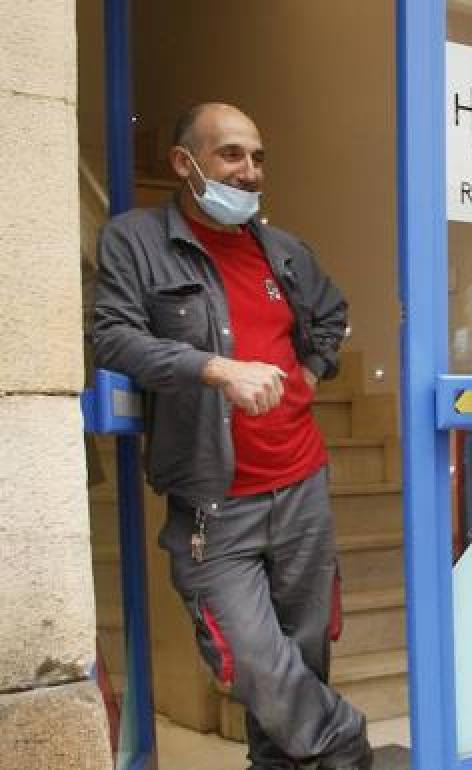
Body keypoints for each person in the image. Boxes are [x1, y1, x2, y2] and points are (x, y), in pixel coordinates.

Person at [92, 103, 371, 770]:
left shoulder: (285, 251)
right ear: (184, 163)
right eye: (230, 155)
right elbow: (111, 334)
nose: (248, 172)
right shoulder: (135, 240)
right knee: (250, 657)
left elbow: (332, 315)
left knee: (304, 652)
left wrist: (305, 372)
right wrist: (216, 369)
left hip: (301, 484)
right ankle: (345, 743)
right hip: (213, 500)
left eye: (257, 157)